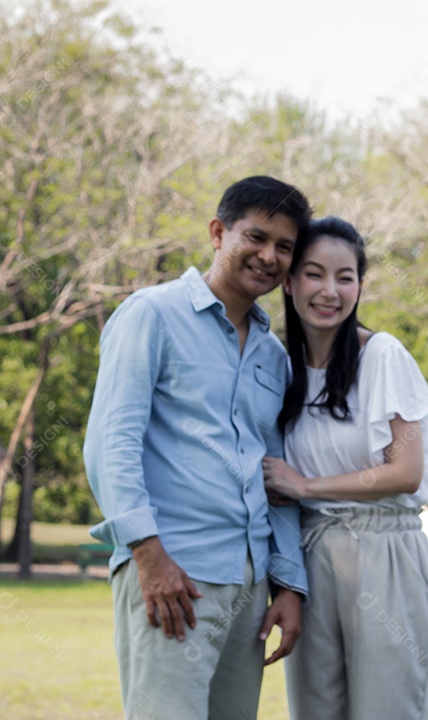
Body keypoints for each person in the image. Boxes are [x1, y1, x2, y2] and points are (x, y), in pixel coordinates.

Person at [83, 176, 312, 720]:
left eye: (284, 247)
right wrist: (148, 555)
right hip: (173, 576)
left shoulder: (272, 356)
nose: (269, 256)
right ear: (217, 233)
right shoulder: (151, 315)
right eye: (255, 237)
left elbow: (275, 477)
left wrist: (289, 584)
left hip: (249, 589)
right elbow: (111, 442)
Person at [261, 216, 428, 720]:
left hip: (384, 550)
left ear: (360, 286)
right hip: (314, 555)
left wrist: (306, 486)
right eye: (314, 274)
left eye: (345, 277)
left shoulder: (382, 355)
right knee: (314, 710)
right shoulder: (280, 366)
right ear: (289, 282)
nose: (329, 291)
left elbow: (406, 472)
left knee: (386, 708)